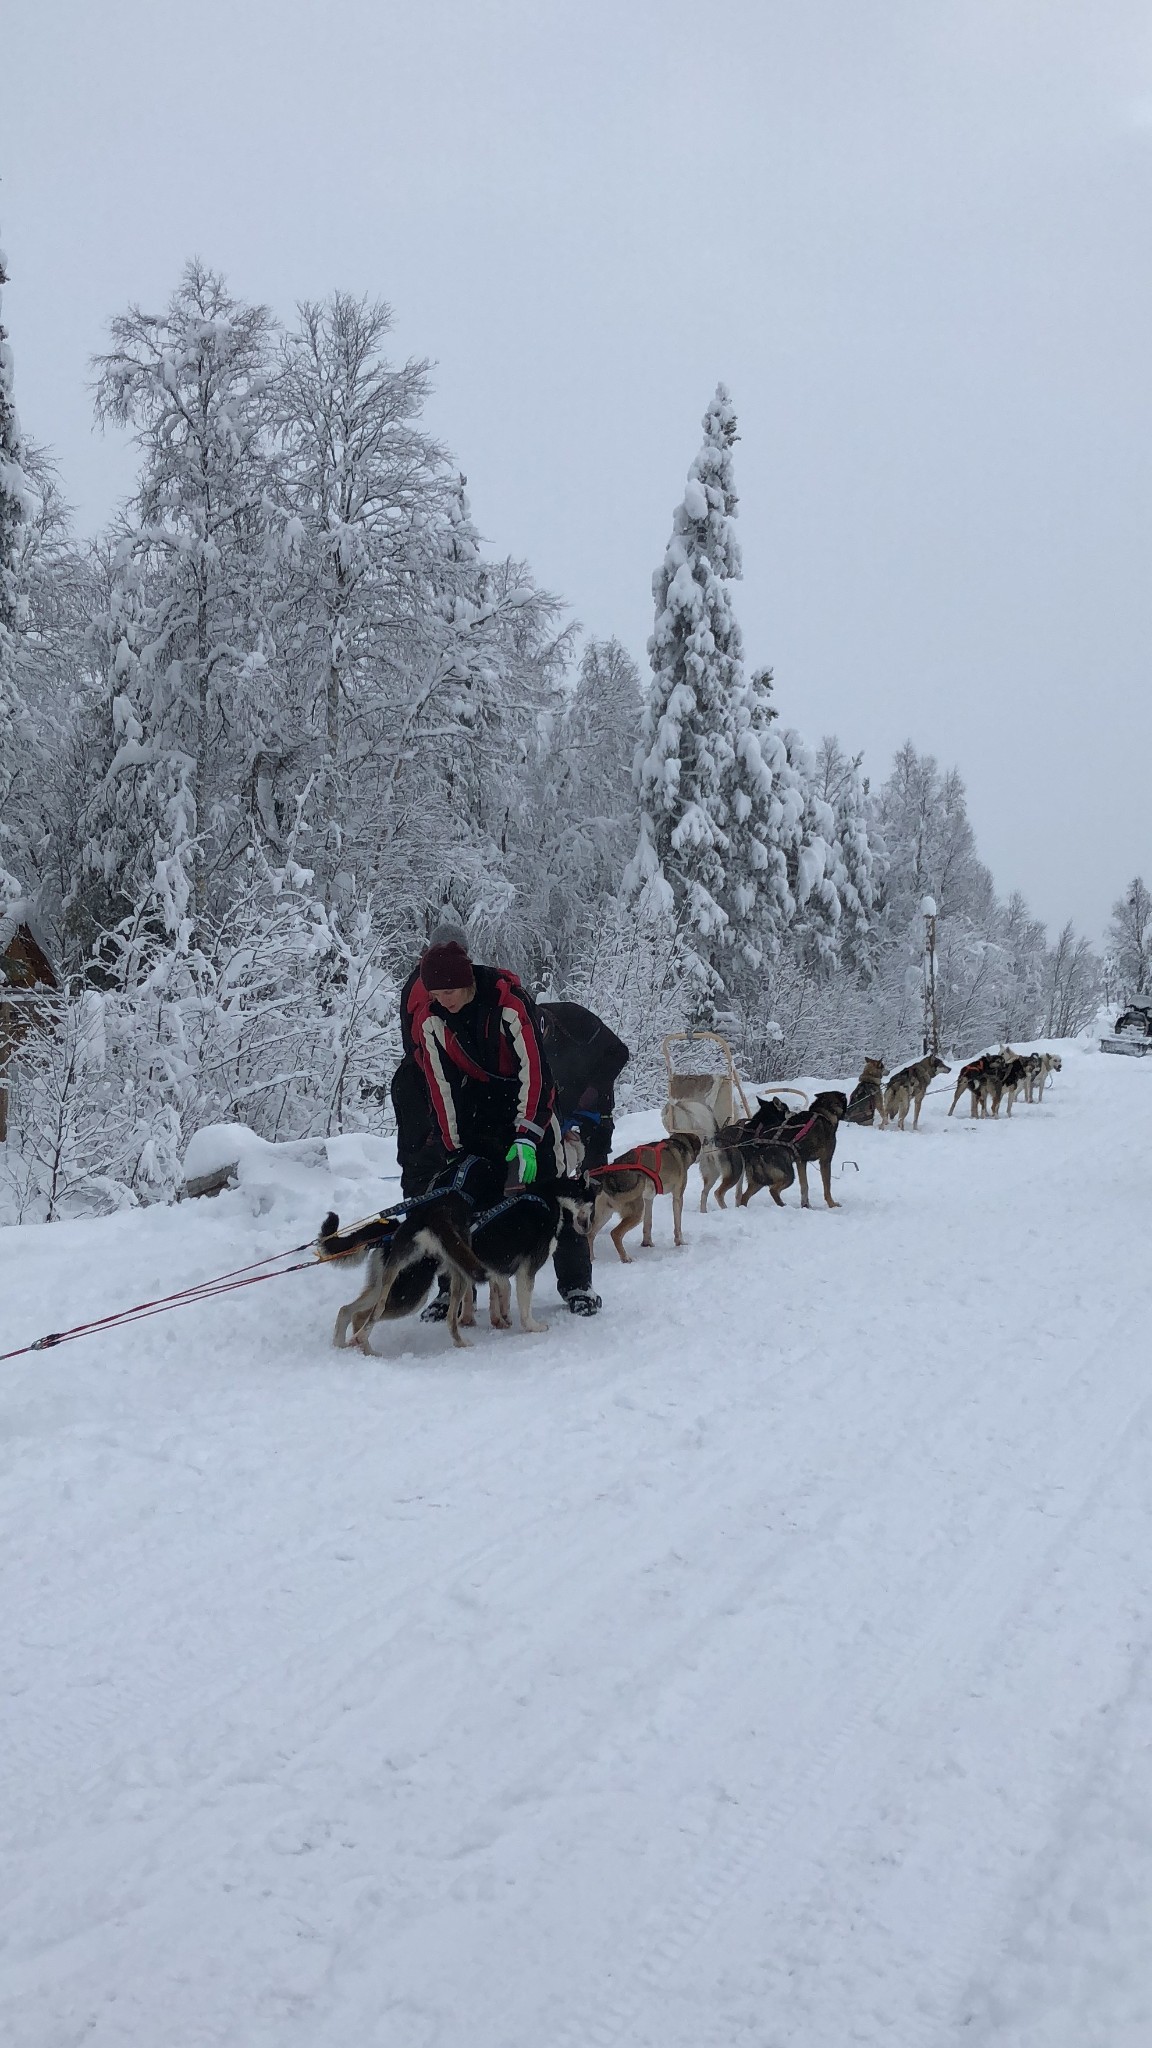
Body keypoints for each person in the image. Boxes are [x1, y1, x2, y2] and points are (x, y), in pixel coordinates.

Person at [537, 1000, 631, 1313]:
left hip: (594, 1099)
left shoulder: (575, 1019)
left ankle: (592, 1221)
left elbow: (619, 1053)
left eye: (546, 1035)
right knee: (561, 1175)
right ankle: (574, 1226)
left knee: (595, 1167)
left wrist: (593, 1090)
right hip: (559, 1105)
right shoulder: (522, 1036)